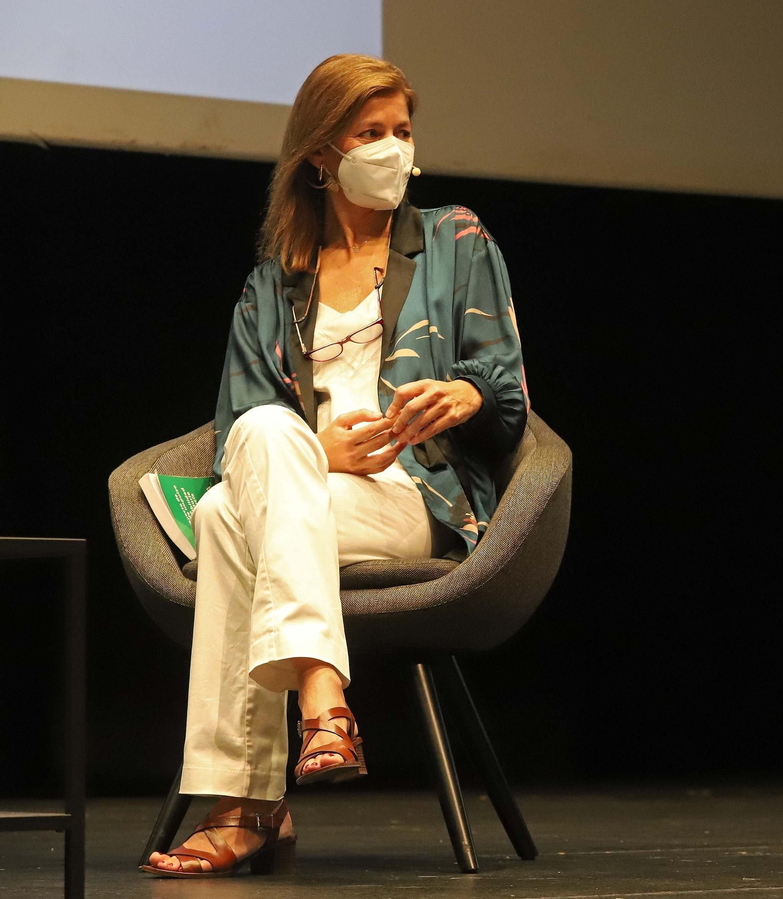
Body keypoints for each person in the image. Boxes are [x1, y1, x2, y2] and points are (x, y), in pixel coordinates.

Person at [143, 54, 528, 878]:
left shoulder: (458, 239)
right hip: (305, 490)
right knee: (240, 484)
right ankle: (321, 704)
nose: (393, 149)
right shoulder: (272, 286)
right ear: (322, 155)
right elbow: (235, 434)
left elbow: (508, 394)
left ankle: (244, 801)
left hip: (410, 494)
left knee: (229, 515)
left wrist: (462, 395)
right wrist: (320, 450)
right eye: (369, 134)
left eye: (402, 132)